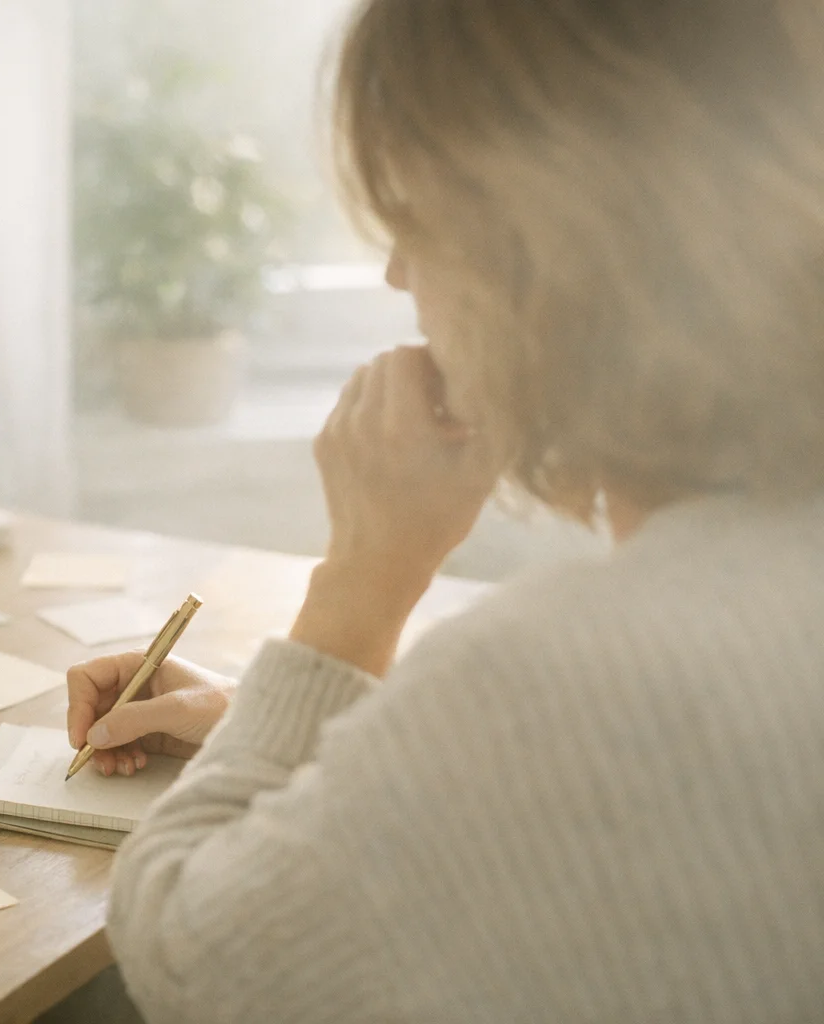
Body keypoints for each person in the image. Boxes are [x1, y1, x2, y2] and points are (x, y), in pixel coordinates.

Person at [65, 1, 824, 1020]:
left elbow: (187, 958)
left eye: (415, 222)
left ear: (542, 252)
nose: (395, 274)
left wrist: (362, 580)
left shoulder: (548, 681)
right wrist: (302, 730)